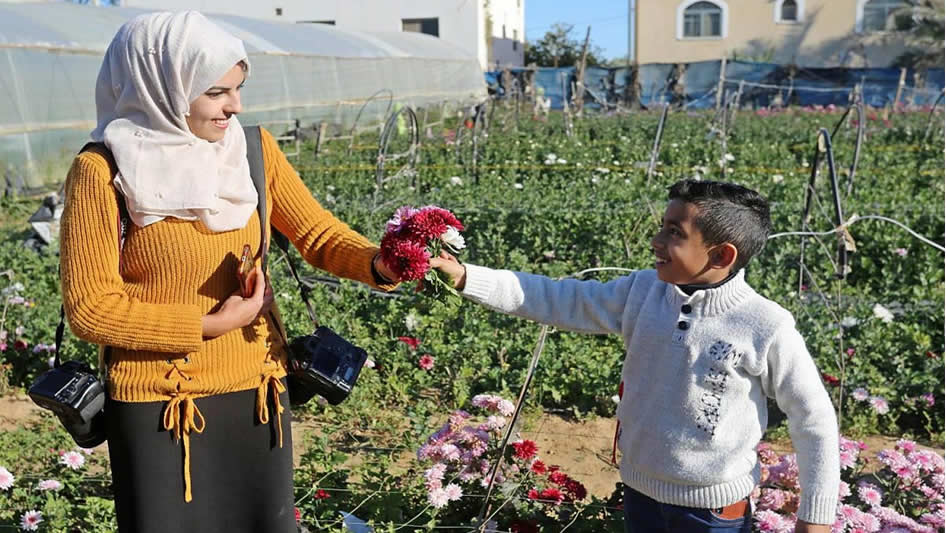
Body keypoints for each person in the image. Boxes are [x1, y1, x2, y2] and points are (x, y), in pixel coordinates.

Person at [59, 11, 401, 533]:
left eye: (238, 89)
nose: (235, 106)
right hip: (163, 405)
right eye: (216, 92)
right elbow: (90, 308)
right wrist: (209, 325)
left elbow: (319, 234)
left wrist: (381, 261)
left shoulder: (252, 150)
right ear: (162, 87)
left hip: (259, 391)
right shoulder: (103, 171)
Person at [431, 180, 840, 533]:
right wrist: (468, 277)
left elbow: (813, 420)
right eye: (661, 227)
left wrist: (815, 518)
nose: (656, 242)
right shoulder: (643, 292)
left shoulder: (763, 324)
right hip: (641, 492)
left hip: (712, 512)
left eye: (674, 233)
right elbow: (559, 297)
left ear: (721, 256)